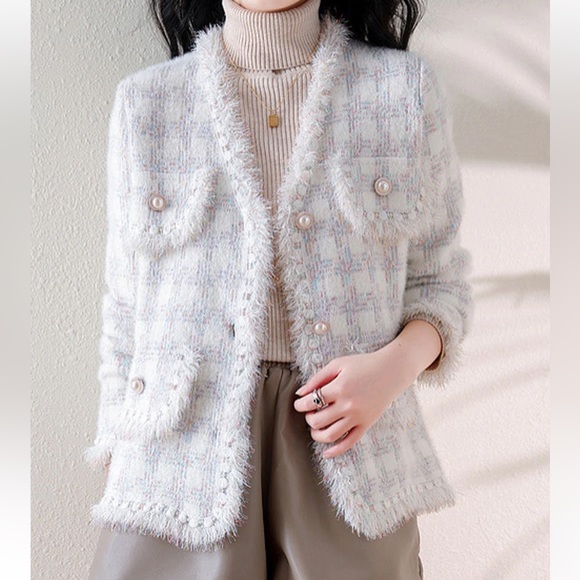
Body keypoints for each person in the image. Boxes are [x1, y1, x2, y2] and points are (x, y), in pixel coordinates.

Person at [84, 0, 474, 578]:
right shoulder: (147, 102)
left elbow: (440, 283)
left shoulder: (404, 91)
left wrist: (391, 370)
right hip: (177, 455)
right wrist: (118, 449)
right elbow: (125, 306)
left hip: (349, 444)